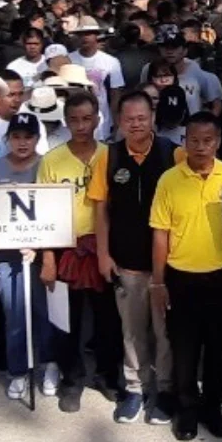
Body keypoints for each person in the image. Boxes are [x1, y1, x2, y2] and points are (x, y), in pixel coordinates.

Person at [149, 111, 222, 442]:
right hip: (181, 278)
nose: (201, 147)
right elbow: (160, 234)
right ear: (184, 141)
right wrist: (159, 282)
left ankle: (213, 409)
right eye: (194, 140)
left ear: (218, 142)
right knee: (185, 350)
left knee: (220, 348)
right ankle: (187, 410)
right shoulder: (169, 180)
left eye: (208, 141)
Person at [90, 91, 173, 423]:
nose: (136, 125)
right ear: (119, 122)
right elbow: (100, 210)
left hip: (166, 265)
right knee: (132, 331)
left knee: (165, 331)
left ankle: (165, 390)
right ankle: (136, 389)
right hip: (126, 262)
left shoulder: (172, 154)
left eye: (142, 118)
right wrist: (103, 254)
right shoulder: (107, 157)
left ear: (152, 117)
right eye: (129, 119)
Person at [36, 91, 116, 413]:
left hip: (104, 247)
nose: (81, 126)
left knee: (108, 319)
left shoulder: (111, 155)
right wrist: (48, 258)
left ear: (98, 118)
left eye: (87, 118)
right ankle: (72, 380)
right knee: (66, 321)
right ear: (65, 121)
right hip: (66, 246)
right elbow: (43, 212)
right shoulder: (52, 160)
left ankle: (108, 376)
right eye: (74, 119)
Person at [0, 113, 58, 400]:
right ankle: (18, 371)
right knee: (14, 315)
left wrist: (39, 245)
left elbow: (54, 210)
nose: (22, 142)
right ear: (8, 139)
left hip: (39, 252)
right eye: (16, 136)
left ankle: (49, 363)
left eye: (29, 136)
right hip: (5, 253)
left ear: (38, 139)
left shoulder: (46, 165)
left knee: (44, 312)